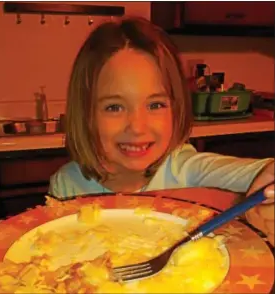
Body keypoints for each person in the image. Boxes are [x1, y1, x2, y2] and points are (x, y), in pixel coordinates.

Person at [49, 17, 274, 244]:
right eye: (114, 107)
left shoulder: (184, 170)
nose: (137, 127)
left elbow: (256, 173)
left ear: (176, 109)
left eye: (155, 105)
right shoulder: (66, 186)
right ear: (86, 115)